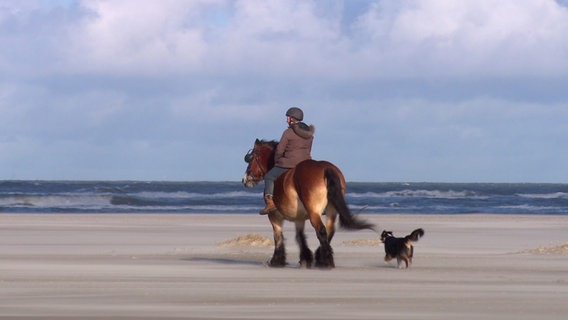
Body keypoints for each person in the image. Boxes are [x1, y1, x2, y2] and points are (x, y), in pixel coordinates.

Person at [260, 107, 315, 215]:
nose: (286, 120)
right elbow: (308, 150)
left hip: (289, 164)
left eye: (288, 118)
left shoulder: (288, 132)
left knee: (269, 177)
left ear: (292, 119)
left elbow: (280, 150)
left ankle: (270, 202)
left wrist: (277, 161)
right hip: (305, 163)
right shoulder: (309, 134)